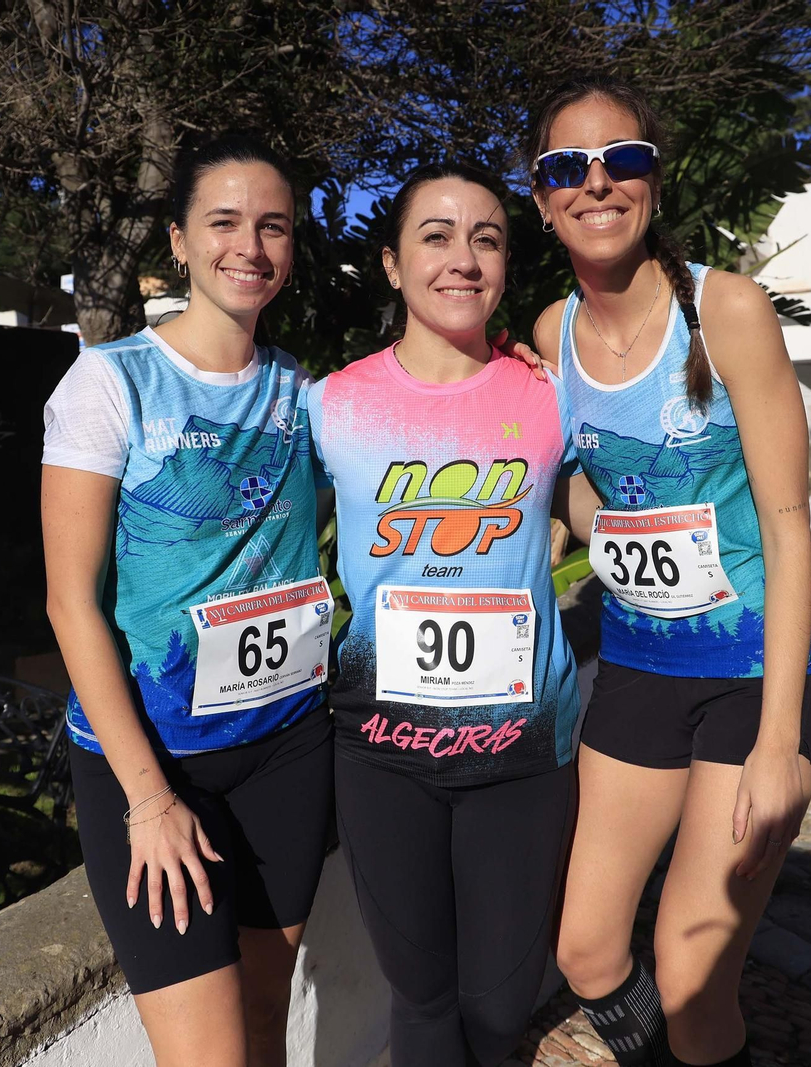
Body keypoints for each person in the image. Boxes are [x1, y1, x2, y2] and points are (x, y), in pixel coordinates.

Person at [527, 78, 811, 1067]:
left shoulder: (726, 308)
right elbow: (581, 503)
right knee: (583, 947)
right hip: (636, 668)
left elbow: (790, 529)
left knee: (691, 979)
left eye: (622, 159)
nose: (596, 182)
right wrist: (593, 526)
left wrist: (782, 740)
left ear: (654, 181)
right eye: (565, 168)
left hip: (753, 676)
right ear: (540, 201)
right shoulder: (550, 338)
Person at [40, 133, 335, 1067]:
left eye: (273, 226)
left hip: (288, 749)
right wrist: (149, 799)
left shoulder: (302, 392)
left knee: (263, 1024)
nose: (249, 245)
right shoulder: (109, 381)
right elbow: (68, 603)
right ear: (177, 239)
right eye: (224, 222)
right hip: (155, 766)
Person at [307, 163, 582, 1067]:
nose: (462, 259)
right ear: (391, 264)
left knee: (501, 1010)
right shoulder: (332, 403)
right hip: (382, 753)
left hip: (524, 749)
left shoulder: (549, 393)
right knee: (422, 1005)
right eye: (436, 236)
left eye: (488, 238)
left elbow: (599, 499)